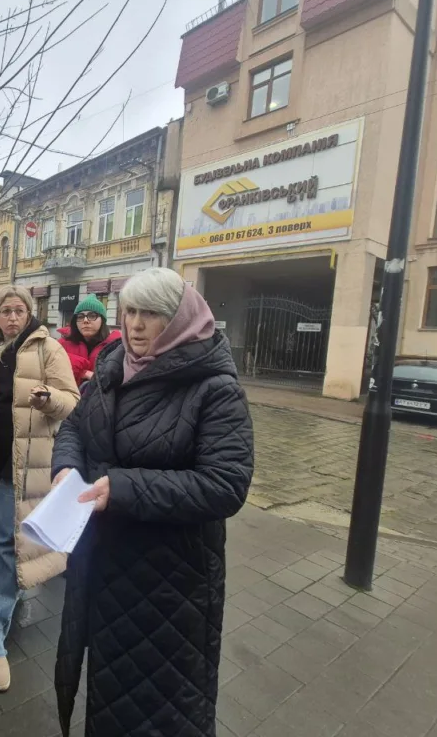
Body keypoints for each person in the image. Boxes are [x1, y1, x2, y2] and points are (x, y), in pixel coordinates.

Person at [50, 267, 254, 737]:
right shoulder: (114, 365)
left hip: (169, 580)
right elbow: (76, 425)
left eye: (151, 314)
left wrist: (121, 489)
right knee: (108, 690)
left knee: (160, 704)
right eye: (130, 312)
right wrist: (67, 467)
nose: (135, 324)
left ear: (179, 319)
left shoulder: (214, 388)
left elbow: (225, 483)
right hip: (102, 564)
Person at [0, 285, 79, 692]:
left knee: (6, 543)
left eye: (19, 310)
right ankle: (10, 591)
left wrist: (49, 398)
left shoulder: (48, 349)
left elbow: (72, 400)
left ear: (29, 313)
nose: (12, 317)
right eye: (5, 311)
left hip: (21, 466)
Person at [57, 295, 121, 389]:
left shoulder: (116, 346)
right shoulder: (62, 344)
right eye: (80, 316)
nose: (85, 320)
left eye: (92, 316)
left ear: (102, 320)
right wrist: (83, 372)